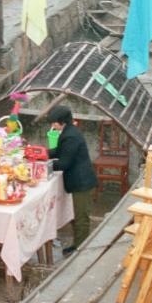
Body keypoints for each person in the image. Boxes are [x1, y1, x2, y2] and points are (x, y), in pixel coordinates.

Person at [47, 105, 97, 255]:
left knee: (81, 217)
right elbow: (59, 151)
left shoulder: (71, 136)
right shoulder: (68, 132)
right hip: (78, 180)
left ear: (62, 122)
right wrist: (43, 153)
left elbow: (64, 163)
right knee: (77, 215)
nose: (53, 125)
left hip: (81, 181)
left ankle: (81, 249)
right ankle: (77, 244)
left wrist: (46, 165)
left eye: (54, 122)